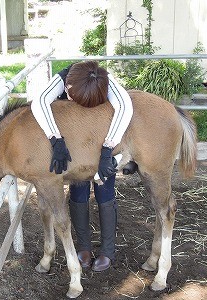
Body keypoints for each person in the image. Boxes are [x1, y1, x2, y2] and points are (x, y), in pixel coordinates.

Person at [31, 61, 133, 271]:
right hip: (73, 144)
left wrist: (108, 148)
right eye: (72, 98)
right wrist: (55, 139)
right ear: (67, 88)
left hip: (101, 138)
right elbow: (39, 102)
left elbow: (125, 107)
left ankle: (108, 250)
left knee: (105, 190)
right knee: (78, 192)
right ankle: (84, 246)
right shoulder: (62, 79)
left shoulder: (106, 82)